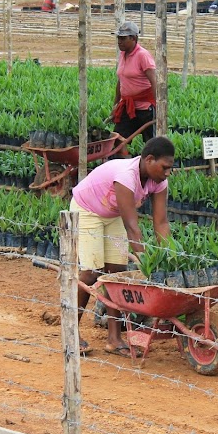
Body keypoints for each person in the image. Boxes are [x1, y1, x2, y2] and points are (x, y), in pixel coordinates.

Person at [69, 136, 174, 357]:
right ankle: (70, 331)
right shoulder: (127, 176)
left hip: (110, 214)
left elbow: (161, 223)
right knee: (91, 272)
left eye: (170, 169)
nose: (167, 173)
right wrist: (148, 267)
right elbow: (132, 227)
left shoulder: (159, 182)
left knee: (116, 274)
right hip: (87, 210)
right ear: (149, 160)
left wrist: (168, 258)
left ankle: (114, 340)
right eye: (164, 167)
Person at [111, 21, 156, 157]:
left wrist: (158, 106)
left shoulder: (143, 55)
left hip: (145, 108)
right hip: (128, 107)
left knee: (152, 144)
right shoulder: (122, 55)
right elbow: (121, 81)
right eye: (118, 38)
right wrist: (115, 104)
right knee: (118, 140)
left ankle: (154, 172)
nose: (119, 41)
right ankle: (122, 168)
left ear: (134, 39)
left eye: (123, 38)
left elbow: (154, 82)